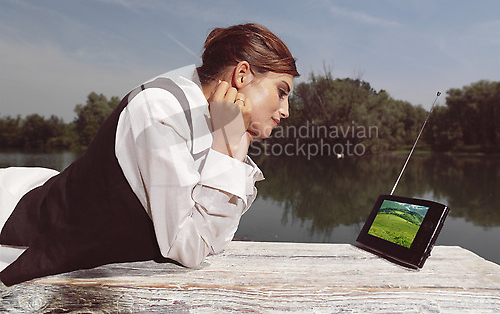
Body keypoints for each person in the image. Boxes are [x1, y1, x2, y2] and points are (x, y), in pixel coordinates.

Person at [0, 23, 299, 286]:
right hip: (16, 234)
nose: (285, 111)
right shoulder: (159, 111)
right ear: (243, 75)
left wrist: (234, 140)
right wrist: (229, 148)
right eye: (282, 91)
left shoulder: (214, 128)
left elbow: (215, 241)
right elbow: (189, 248)